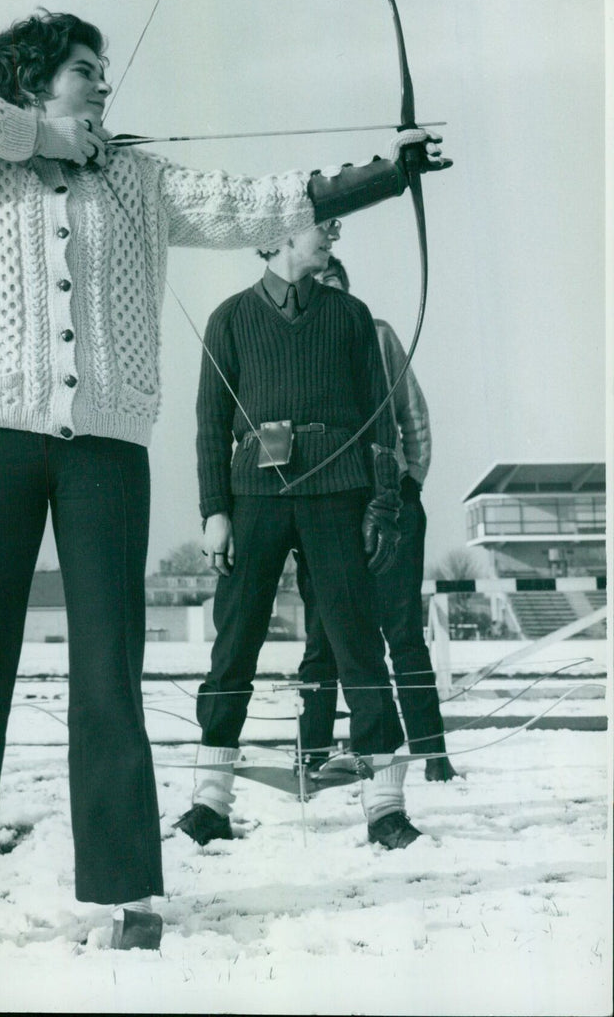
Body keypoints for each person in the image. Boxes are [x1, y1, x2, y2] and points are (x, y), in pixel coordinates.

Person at [0, 8, 450, 949]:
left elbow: (255, 203)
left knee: (112, 671)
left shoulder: (136, 178)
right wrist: (34, 135)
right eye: (81, 71)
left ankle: (128, 893)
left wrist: (391, 173)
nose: (102, 85)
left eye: (103, 71)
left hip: (105, 451)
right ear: (32, 78)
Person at [175, 217, 437, 853]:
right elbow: (211, 424)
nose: (334, 238)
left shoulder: (352, 316)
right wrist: (215, 510)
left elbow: (381, 423)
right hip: (252, 498)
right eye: (323, 227)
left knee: (357, 642)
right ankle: (209, 803)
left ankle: (385, 808)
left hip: (339, 498)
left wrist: (381, 503)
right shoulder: (229, 318)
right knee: (234, 642)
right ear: (280, 234)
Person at [296, 255, 458, 782]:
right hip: (326, 509)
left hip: (390, 502)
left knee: (403, 633)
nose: (327, 294)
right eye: (316, 285)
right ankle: (315, 756)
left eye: (335, 285)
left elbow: (414, 413)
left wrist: (409, 482)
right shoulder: (294, 345)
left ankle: (433, 756)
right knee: (323, 637)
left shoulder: (378, 333)